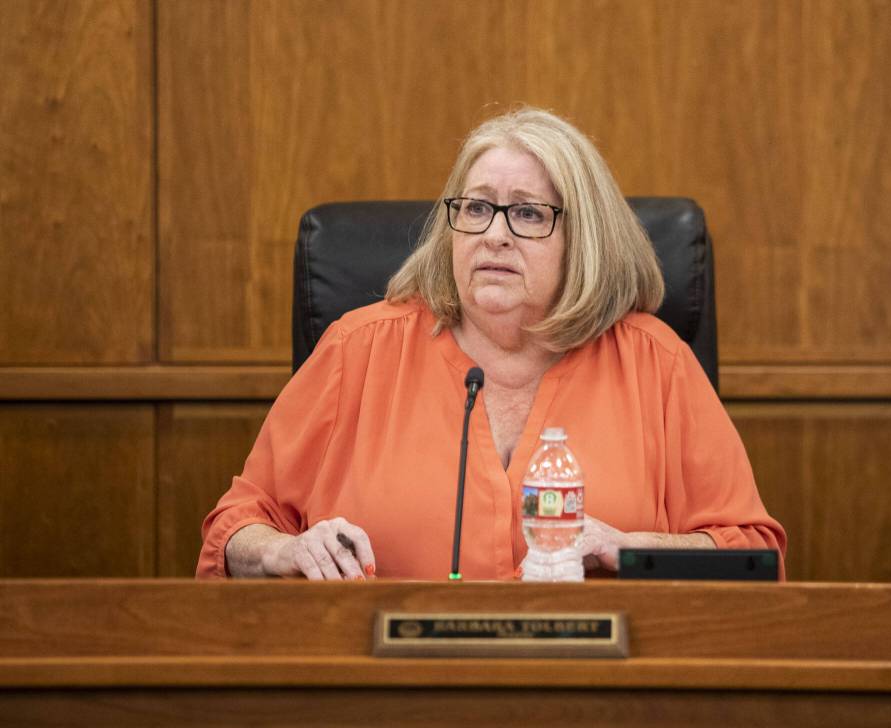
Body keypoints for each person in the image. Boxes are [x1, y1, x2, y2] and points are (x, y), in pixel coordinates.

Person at [197, 107, 786, 580]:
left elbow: (753, 554)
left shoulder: (655, 365)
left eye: (528, 215)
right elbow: (237, 527)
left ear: (583, 238)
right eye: (476, 207)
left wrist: (625, 547)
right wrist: (282, 552)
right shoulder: (358, 351)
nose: (495, 234)